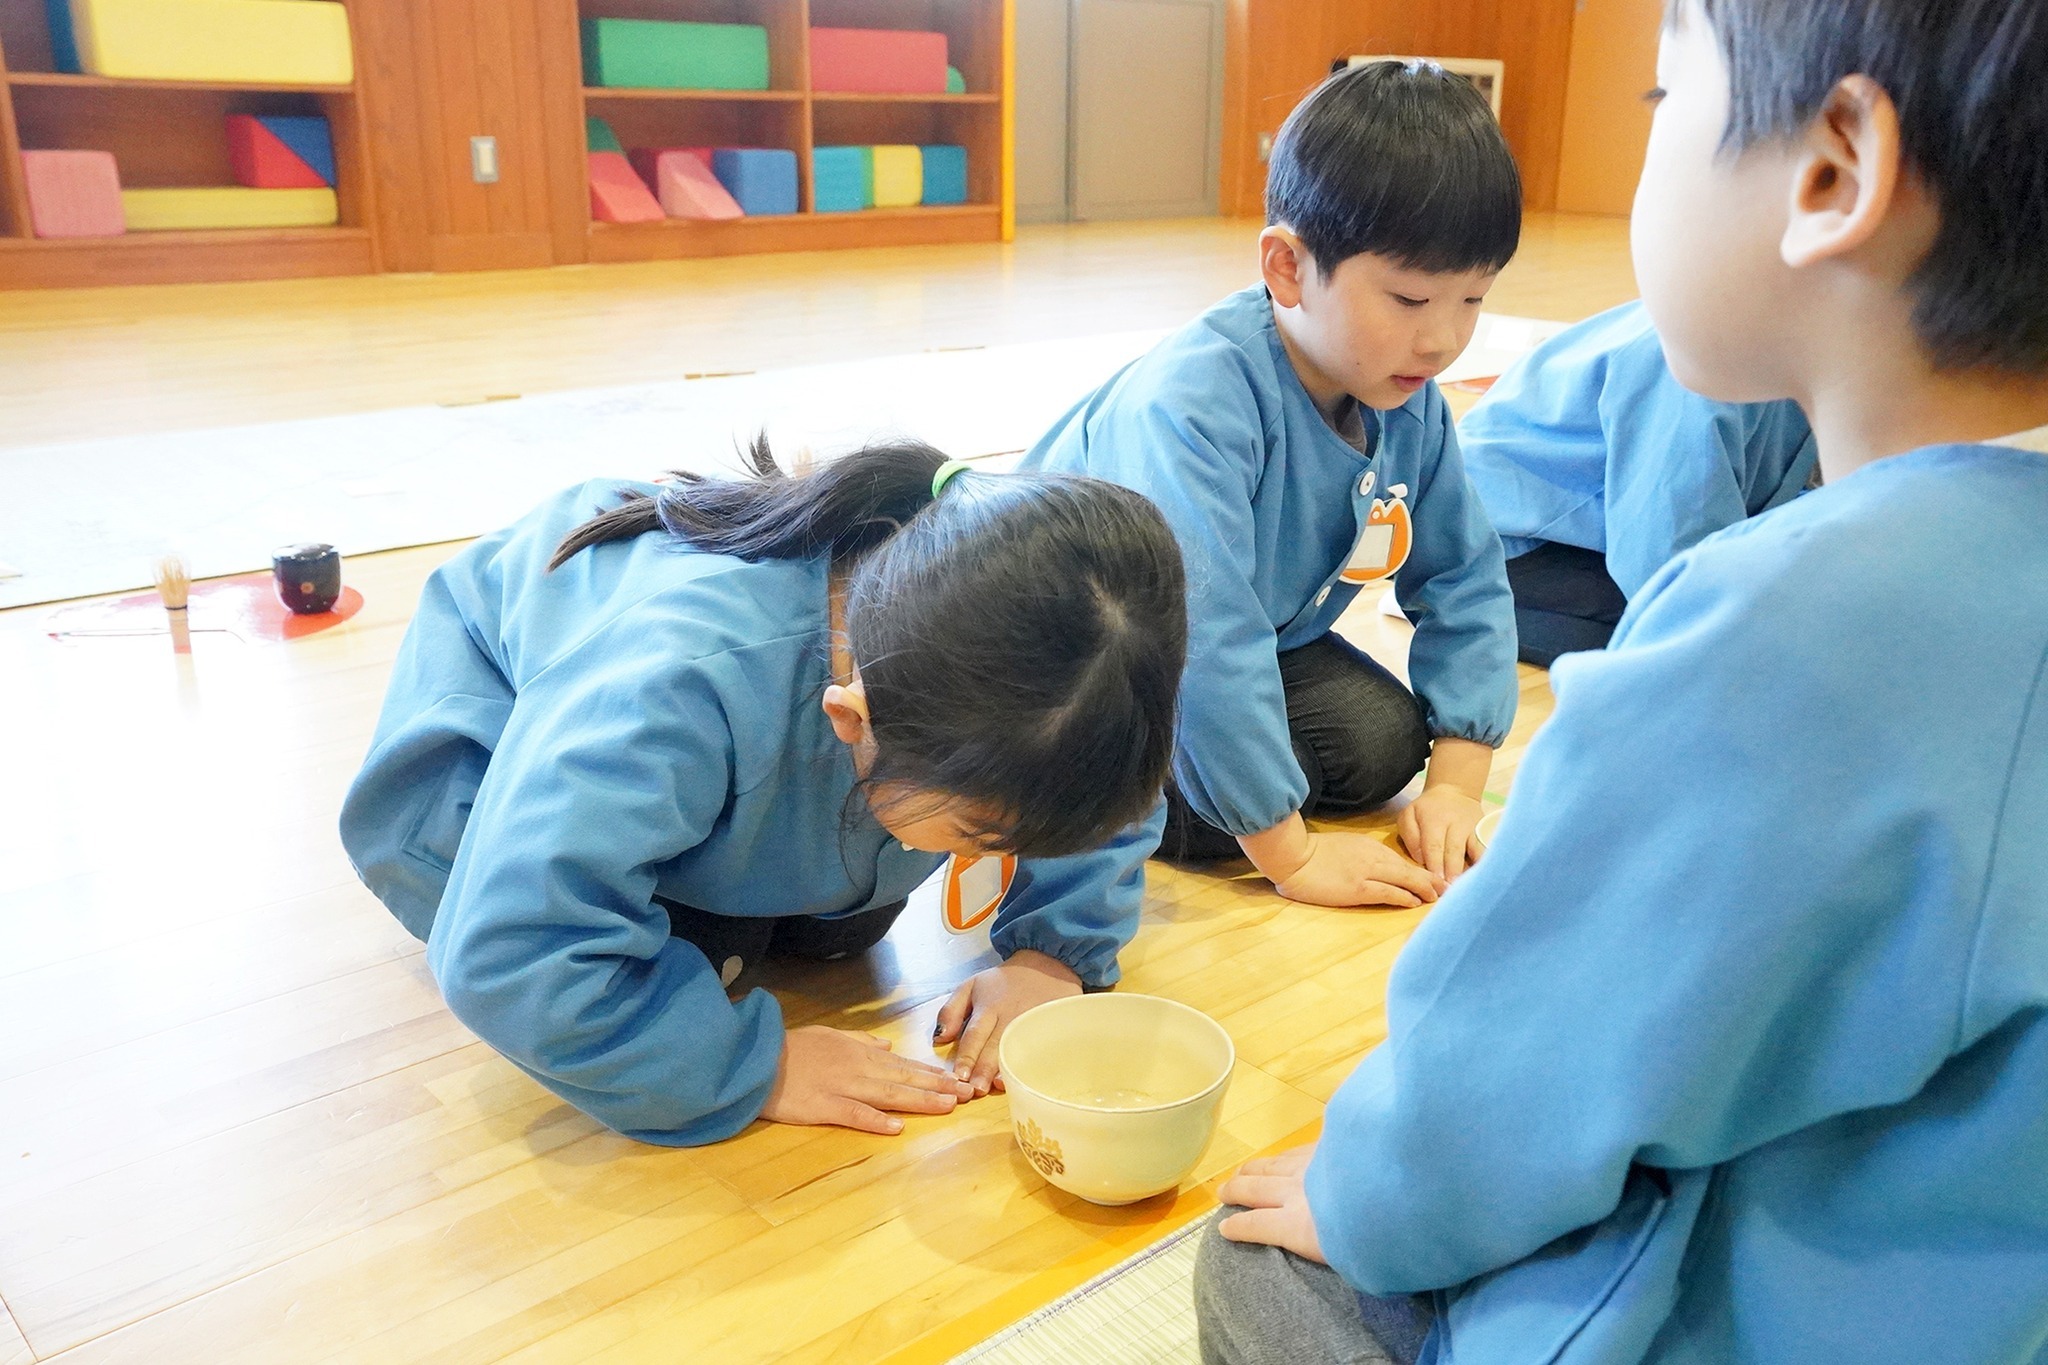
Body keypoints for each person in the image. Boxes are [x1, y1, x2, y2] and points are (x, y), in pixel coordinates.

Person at [1197, 0, 2048, 1360]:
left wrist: (1371, 1195)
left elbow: (1509, 1073)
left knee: (1258, 1265)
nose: (1443, 339)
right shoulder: (1206, 396)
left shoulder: (1774, 633)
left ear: (1833, 171)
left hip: (1727, 1316)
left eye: (1663, 102)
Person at [339, 439, 1188, 1145]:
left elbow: (1095, 792)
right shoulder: (672, 685)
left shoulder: (1062, 675)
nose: (1007, 855)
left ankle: (725, 909)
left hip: (718, 734)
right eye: (985, 833)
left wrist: (1053, 953)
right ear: (852, 717)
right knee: (623, 955)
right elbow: (513, 951)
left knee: (837, 930)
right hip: (483, 762)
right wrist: (755, 1066)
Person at [1014, 60, 1522, 925]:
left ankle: (1211, 780)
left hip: (1247, 637)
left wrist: (1457, 787)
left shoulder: (1407, 393)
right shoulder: (1192, 403)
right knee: (1210, 791)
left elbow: (1464, 575)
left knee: (1383, 742)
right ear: (1287, 267)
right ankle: (1138, 795)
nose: (1442, 339)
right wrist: (1294, 856)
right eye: (1408, 298)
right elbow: (1205, 633)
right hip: (1083, 657)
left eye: (1471, 298)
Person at [1459, 299, 1818, 664]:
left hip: (1610, 530)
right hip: (1512, 538)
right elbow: (1666, 540)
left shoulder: (1801, 343)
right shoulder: (1701, 358)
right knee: (1759, 635)